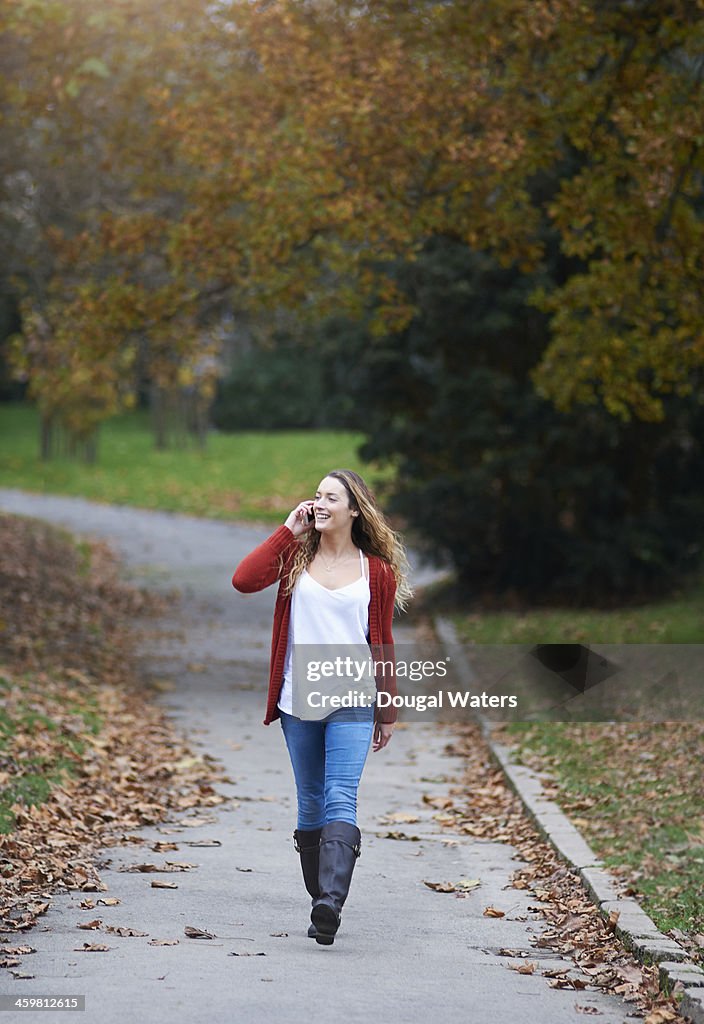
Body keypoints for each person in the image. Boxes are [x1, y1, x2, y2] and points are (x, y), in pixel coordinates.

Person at [231, 468, 412, 946]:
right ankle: (320, 901)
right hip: (299, 699)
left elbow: (382, 642)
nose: (320, 503)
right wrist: (287, 530)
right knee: (310, 799)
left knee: (340, 795)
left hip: (354, 697)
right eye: (316, 496)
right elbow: (243, 580)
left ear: (354, 509)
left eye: (332, 497)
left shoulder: (377, 571)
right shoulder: (294, 555)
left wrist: (387, 709)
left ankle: (330, 899)